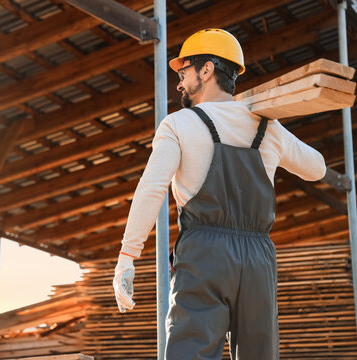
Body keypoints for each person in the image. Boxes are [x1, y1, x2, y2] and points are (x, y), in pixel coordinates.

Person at [112, 28, 327, 359]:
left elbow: (152, 186)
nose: (180, 83)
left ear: (207, 70)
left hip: (204, 256)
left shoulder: (179, 125)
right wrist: (271, 124)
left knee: (191, 351)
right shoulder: (268, 128)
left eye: (184, 72)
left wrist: (127, 256)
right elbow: (318, 168)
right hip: (258, 258)